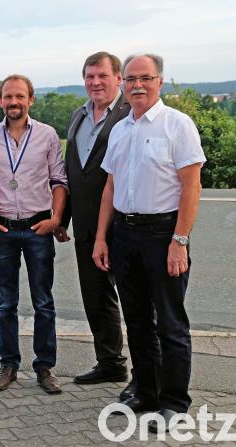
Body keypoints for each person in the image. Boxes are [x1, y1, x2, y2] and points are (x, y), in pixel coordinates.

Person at [92, 54, 205, 432]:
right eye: (131, 79)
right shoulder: (121, 129)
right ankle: (146, 389)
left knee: (170, 323)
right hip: (124, 234)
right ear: (123, 82)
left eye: (146, 78)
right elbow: (110, 187)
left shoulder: (178, 125)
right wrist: (101, 238)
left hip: (163, 234)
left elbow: (191, 186)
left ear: (158, 81)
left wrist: (180, 240)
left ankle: (174, 402)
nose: (137, 85)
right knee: (137, 320)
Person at [0, 74, 68, 394]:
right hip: (2, 229)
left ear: (31, 99)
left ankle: (45, 367)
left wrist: (56, 219)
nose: (13, 102)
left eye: (19, 96)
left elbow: (59, 181)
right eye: (7, 97)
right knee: (6, 303)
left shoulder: (47, 135)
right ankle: (9, 364)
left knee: (43, 302)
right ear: (0, 101)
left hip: (37, 228)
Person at [55, 52, 136, 397]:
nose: (95, 82)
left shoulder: (131, 114)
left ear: (118, 78)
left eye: (102, 75)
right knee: (96, 297)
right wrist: (64, 217)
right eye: (89, 76)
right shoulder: (78, 116)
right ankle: (111, 362)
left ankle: (144, 376)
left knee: (135, 301)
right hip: (87, 226)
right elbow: (76, 172)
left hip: (125, 225)